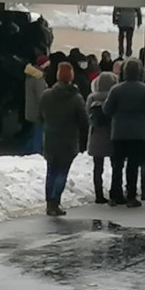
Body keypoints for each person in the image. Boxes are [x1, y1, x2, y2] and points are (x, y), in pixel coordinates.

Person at [103, 57, 145, 207]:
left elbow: (107, 110)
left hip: (118, 132)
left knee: (117, 165)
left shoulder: (116, 90)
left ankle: (115, 195)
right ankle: (131, 196)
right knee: (133, 166)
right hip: (138, 133)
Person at [39, 62, 89, 216]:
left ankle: (49, 202)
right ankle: (55, 201)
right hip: (68, 140)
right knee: (62, 171)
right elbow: (83, 121)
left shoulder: (46, 95)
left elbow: (40, 115)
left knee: (51, 171)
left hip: (50, 138)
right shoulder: (76, 98)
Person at [86, 71, 117, 204]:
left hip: (96, 136)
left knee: (98, 167)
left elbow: (87, 114)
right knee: (116, 166)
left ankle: (98, 194)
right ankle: (114, 191)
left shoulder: (92, 97)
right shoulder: (114, 96)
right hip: (112, 135)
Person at [22, 55, 50, 154]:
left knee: (35, 132)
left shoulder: (32, 75)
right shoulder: (38, 78)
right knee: (38, 132)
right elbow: (41, 95)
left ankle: (26, 151)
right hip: (38, 110)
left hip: (32, 108)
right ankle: (35, 152)